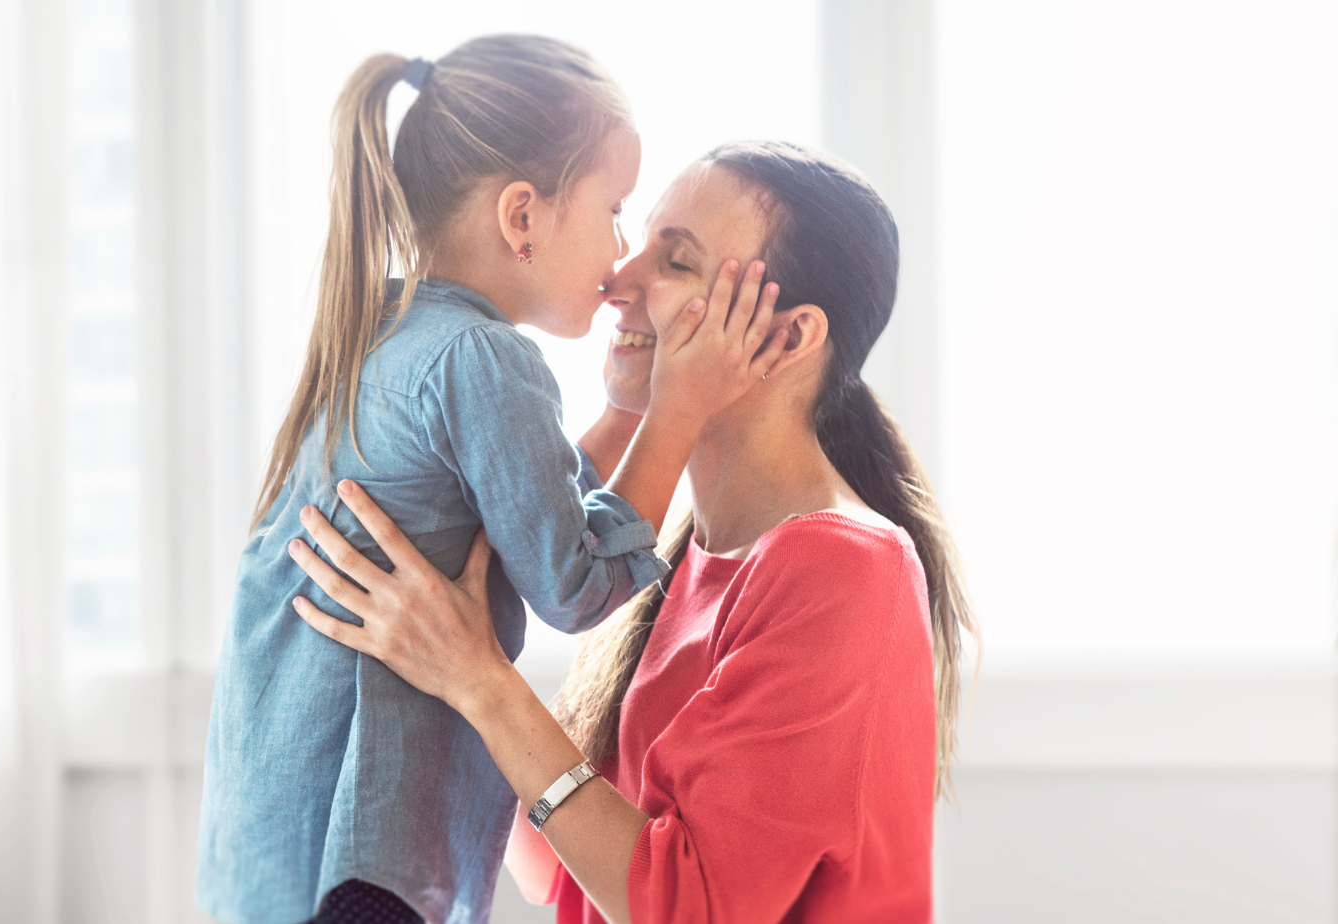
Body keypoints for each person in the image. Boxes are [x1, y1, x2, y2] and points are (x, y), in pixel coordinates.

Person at [287, 141, 979, 923]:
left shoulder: (843, 571)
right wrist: (447, 638)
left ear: (787, 338)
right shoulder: (680, 553)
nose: (617, 279)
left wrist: (480, 681)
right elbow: (559, 870)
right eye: (638, 238)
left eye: (676, 262)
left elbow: (690, 907)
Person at [194, 38, 795, 924]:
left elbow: (522, 506)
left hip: (278, 834)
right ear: (522, 216)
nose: (620, 252)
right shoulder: (487, 359)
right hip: (370, 845)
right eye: (616, 209)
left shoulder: (384, 335)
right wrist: (678, 409)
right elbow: (574, 579)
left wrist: (633, 406)